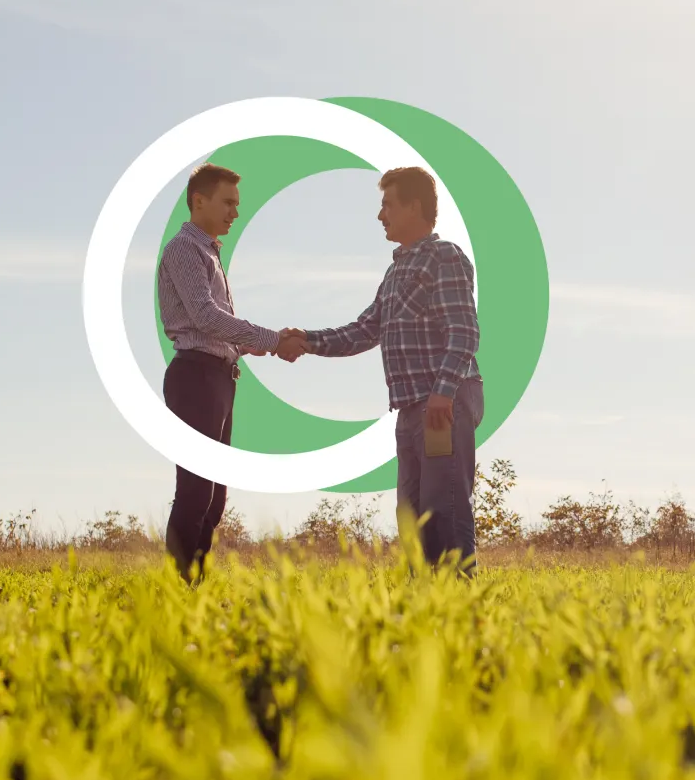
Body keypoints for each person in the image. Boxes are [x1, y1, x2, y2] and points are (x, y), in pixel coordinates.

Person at [280, 167, 484, 572]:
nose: (381, 216)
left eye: (387, 205)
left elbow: (463, 330)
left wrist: (444, 392)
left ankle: (461, 605)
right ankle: (423, 606)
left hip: (442, 404)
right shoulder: (395, 273)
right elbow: (363, 330)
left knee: (444, 510)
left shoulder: (443, 256)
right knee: (412, 517)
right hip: (410, 409)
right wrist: (305, 339)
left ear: (414, 206)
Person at [156, 162, 303, 583]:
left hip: (220, 377)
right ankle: (178, 586)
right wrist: (273, 338)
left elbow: (216, 326)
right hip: (195, 378)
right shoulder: (185, 249)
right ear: (199, 201)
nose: (235, 213)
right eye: (228, 203)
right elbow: (204, 317)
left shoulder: (210, 253)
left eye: (237, 205)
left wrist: (250, 344)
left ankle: (194, 584)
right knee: (196, 490)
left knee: (215, 496)